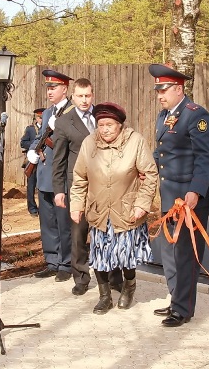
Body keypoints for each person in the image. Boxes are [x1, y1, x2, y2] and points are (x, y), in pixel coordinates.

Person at [70, 102, 158, 314]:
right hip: (99, 209)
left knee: (125, 256)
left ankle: (129, 286)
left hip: (126, 209)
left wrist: (142, 204)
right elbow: (80, 177)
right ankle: (104, 296)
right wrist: (76, 205)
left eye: (109, 124)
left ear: (119, 125)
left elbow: (151, 175)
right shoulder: (89, 143)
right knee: (100, 256)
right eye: (101, 125)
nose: (105, 129)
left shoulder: (135, 141)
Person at [149, 64, 209, 327]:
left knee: (186, 253)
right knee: (170, 251)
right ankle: (177, 297)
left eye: (164, 90)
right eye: (158, 91)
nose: (160, 95)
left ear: (179, 89)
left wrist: (196, 191)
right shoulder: (164, 116)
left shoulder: (196, 115)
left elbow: (205, 157)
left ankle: (183, 309)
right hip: (169, 195)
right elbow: (163, 153)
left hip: (190, 198)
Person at [52, 78, 123, 296]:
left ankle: (113, 276)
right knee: (78, 234)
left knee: (109, 233)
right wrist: (58, 190)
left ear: (93, 95)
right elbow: (59, 159)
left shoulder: (104, 117)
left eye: (88, 95)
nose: (84, 100)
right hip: (79, 188)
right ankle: (81, 277)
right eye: (80, 96)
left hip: (107, 186)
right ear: (72, 96)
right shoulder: (64, 122)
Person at [26, 70, 74, 282]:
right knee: (47, 222)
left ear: (65, 89)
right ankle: (52, 260)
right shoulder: (47, 113)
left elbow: (77, 141)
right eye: (48, 88)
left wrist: (60, 126)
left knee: (64, 222)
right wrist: (33, 150)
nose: (50, 91)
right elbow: (39, 136)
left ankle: (66, 263)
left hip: (61, 174)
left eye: (54, 87)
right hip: (45, 173)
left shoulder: (72, 112)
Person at [20, 108, 44, 217]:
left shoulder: (48, 129)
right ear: (36, 118)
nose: (41, 120)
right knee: (31, 185)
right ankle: (32, 208)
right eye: (39, 117)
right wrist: (34, 146)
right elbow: (23, 142)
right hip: (33, 160)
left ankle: (43, 207)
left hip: (44, 160)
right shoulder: (30, 129)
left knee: (42, 185)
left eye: (43, 117)